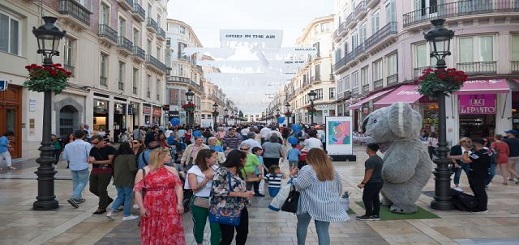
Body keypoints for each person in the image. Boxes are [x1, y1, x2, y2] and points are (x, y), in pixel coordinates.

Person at [289, 148, 349, 245]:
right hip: (327, 205)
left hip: (307, 203)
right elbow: (339, 188)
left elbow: (299, 185)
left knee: (302, 225)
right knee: (323, 231)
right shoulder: (332, 170)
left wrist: (292, 176)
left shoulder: (308, 169)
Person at [134, 148, 185, 244]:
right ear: (160, 157)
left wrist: (180, 203)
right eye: (168, 155)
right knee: (154, 229)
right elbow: (137, 191)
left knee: (171, 229)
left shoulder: (172, 169)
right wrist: (141, 207)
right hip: (152, 205)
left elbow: (178, 187)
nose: (170, 157)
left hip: (170, 204)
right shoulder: (143, 171)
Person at [211, 150, 254, 245]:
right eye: (244, 159)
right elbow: (216, 190)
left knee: (243, 232)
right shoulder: (222, 171)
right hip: (225, 208)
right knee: (227, 236)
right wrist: (241, 194)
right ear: (239, 160)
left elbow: (238, 187)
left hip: (241, 207)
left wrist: (246, 192)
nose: (246, 161)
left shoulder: (238, 171)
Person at [185, 149, 221, 245]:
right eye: (214, 157)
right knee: (200, 225)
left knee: (216, 226)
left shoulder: (216, 168)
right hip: (199, 201)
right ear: (206, 159)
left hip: (216, 200)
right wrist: (206, 179)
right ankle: (199, 242)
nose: (216, 159)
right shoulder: (193, 170)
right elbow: (194, 189)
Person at [106, 142, 138, 221]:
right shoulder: (130, 157)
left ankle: (111, 211)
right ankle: (126, 214)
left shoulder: (116, 157)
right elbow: (132, 169)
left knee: (120, 196)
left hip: (117, 179)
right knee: (128, 197)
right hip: (127, 179)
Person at [61, 130, 91, 207]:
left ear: (74, 136)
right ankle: (74, 197)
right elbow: (89, 155)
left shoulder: (68, 145)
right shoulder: (86, 144)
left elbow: (64, 157)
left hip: (73, 165)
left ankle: (78, 198)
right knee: (83, 182)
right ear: (83, 136)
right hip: (83, 165)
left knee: (75, 182)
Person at [88, 135, 117, 214]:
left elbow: (110, 161)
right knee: (92, 188)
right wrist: (90, 160)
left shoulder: (110, 149)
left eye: (96, 143)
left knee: (101, 189)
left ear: (102, 141)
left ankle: (101, 207)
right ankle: (107, 199)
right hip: (95, 170)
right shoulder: (93, 149)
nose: (94, 145)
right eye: (93, 143)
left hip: (106, 171)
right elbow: (91, 158)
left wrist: (96, 162)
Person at [461, 138, 491, 213]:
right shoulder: (487, 152)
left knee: (479, 190)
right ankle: (479, 204)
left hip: (477, 174)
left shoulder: (478, 153)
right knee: (478, 190)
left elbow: (465, 160)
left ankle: (482, 208)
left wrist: (465, 151)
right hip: (482, 173)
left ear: (476, 144)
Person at [356, 143, 384, 221]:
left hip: (372, 182)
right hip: (379, 181)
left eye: (367, 148)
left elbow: (369, 172)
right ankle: (376, 214)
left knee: (366, 198)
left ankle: (368, 214)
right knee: (375, 198)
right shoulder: (379, 159)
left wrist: (363, 183)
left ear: (369, 149)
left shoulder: (370, 160)